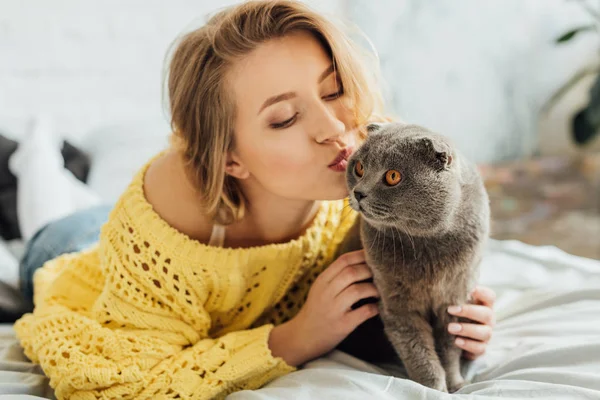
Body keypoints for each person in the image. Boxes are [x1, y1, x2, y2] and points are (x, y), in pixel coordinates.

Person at [13, 1, 496, 399]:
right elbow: (119, 383)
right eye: (285, 119)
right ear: (230, 160)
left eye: (334, 89)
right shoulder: (169, 216)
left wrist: (461, 317)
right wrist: (294, 338)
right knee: (53, 220)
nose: (334, 131)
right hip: (79, 256)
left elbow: (432, 252)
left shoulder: (372, 152)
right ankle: (36, 156)